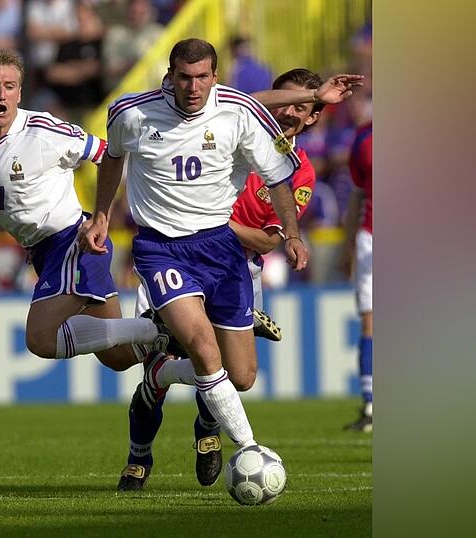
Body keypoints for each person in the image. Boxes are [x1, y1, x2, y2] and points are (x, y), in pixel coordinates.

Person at [81, 38, 311, 491]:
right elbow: (113, 158)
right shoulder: (133, 113)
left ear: (215, 76)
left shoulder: (238, 112)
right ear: (170, 76)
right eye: (184, 78)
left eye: (202, 77)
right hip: (161, 249)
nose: (193, 87)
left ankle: (162, 371)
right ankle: (247, 447)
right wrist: (102, 214)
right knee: (204, 347)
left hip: (221, 250)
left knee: (240, 375)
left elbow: (277, 176)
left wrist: (295, 235)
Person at [119, 67, 362, 489]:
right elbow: (234, 101)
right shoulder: (230, 128)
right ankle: (138, 458)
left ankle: (201, 418)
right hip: (176, 254)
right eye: (280, 101)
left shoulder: (297, 172)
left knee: (241, 376)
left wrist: (215, 224)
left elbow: (266, 241)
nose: (286, 112)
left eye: (300, 108)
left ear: (312, 118)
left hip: (238, 267)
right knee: (198, 353)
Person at [0, 48, 170, 372]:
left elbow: (111, 155)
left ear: (19, 93)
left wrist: (103, 215)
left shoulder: (45, 131)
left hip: (73, 241)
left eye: (9, 86)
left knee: (40, 337)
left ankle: (157, 328)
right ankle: (174, 360)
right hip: (42, 251)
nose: (1, 93)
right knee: (118, 357)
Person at [340, 120, 372, 432]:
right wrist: (348, 244)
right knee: (369, 320)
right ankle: (370, 403)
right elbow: (357, 193)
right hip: (370, 236)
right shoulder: (363, 136)